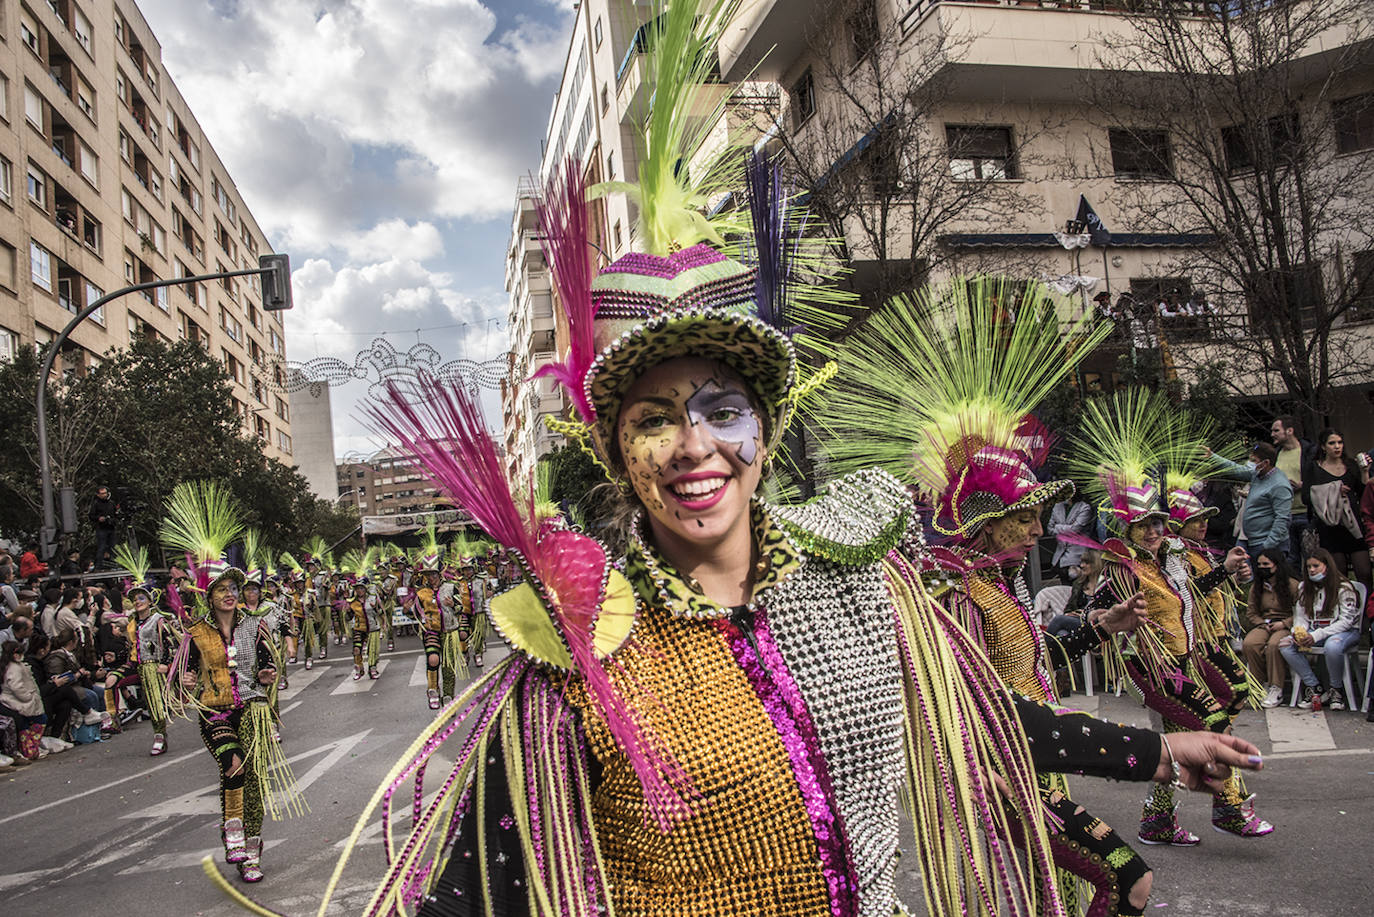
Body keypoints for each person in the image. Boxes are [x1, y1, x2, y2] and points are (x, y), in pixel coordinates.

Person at [823, 281, 1159, 916]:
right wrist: (988, 773)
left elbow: (1025, 666)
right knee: (1125, 879)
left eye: (1038, 516)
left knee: (1056, 898)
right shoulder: (955, 592)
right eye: (1023, 517)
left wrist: (1099, 627)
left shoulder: (999, 584)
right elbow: (962, 696)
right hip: (1007, 770)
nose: (1037, 530)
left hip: (1039, 754)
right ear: (982, 521)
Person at [163, 481, 298, 884]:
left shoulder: (254, 626)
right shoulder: (196, 633)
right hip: (215, 711)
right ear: (208, 595)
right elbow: (182, 678)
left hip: (252, 709)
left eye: (233, 587)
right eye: (221, 588)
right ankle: (232, 832)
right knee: (233, 764)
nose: (229, 593)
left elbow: (267, 665)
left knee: (254, 784)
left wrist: (267, 675)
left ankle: (251, 853)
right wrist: (186, 681)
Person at [1279, 548, 1362, 710]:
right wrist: (1298, 632)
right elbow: (1300, 617)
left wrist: (1316, 635)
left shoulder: (1344, 587)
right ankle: (1314, 687)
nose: (1311, 570)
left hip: (1345, 632)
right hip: (1316, 630)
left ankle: (1336, 690)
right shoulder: (1304, 587)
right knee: (1286, 645)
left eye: (1316, 566)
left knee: (1332, 646)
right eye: (1308, 567)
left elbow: (1346, 621)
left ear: (1327, 566)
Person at [1304, 428, 1370, 588]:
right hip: (1329, 526)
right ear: (1323, 446)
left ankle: (1367, 603)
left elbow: (1363, 493)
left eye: (1340, 442)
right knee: (1339, 575)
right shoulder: (1314, 468)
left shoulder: (1351, 465)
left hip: (1352, 524)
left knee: (1365, 573)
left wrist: (1364, 472)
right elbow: (1307, 497)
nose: (1337, 446)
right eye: (1332, 443)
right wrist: (1333, 490)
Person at [1208, 443, 1293, 566]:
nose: (1250, 463)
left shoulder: (1280, 485)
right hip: (1249, 539)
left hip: (1266, 543)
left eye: (1254, 460)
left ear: (1266, 463)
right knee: (1243, 572)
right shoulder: (1257, 474)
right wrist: (1213, 457)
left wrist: (1268, 546)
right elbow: (1237, 469)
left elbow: (1283, 519)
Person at [1241, 548, 1299, 707]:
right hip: (1265, 623)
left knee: (1274, 645)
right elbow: (1251, 612)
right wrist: (1262, 623)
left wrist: (1284, 623)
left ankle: (1276, 687)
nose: (1262, 568)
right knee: (1250, 643)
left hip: (1286, 624)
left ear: (1277, 565)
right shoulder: (1257, 586)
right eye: (1259, 564)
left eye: (1266, 564)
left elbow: (1301, 613)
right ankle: (1258, 684)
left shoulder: (1292, 585)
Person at [1270, 416, 1313, 563]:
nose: (1272, 434)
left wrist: (1303, 486)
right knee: (1289, 560)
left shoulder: (1308, 451)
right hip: (1284, 515)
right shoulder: (1275, 455)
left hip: (1306, 512)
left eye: (1276, 430)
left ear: (1289, 431)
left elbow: (1318, 477)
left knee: (1311, 558)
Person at [0, 639, 48, 763]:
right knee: (38, 720)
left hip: (16, 701)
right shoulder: (14, 668)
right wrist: (27, 696)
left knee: (27, 723)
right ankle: (30, 749)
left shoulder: (11, 666)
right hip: (20, 701)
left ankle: (30, 748)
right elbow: (16, 686)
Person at [1048, 497, 1094, 583]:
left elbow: (1074, 529)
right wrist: (1068, 528)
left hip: (1078, 557)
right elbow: (1050, 529)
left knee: (1079, 586)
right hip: (1060, 558)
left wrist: (1057, 526)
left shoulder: (1084, 507)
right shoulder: (1057, 506)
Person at [90, 485, 118, 570]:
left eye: (105, 493)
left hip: (111, 527)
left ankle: (114, 564)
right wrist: (99, 518)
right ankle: (99, 566)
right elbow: (91, 516)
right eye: (102, 494)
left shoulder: (111, 503)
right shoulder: (96, 504)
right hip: (101, 528)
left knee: (113, 547)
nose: (104, 495)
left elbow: (115, 514)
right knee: (102, 547)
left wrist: (113, 520)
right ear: (98, 495)